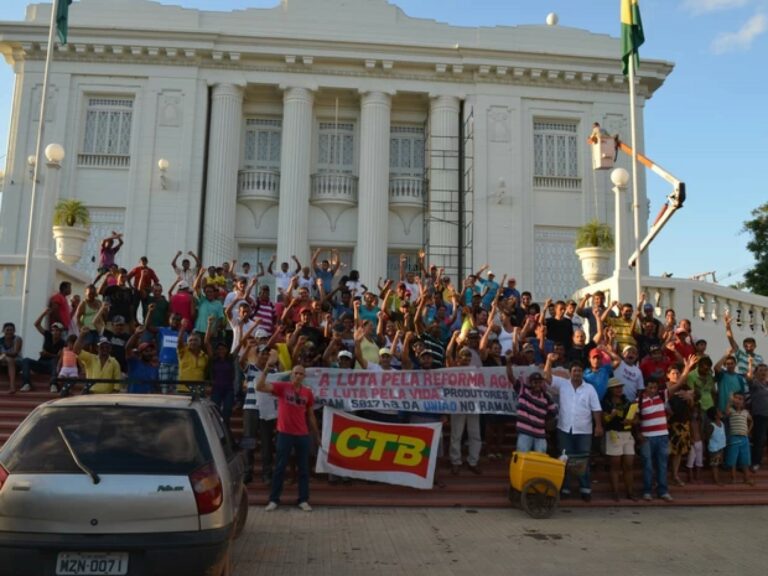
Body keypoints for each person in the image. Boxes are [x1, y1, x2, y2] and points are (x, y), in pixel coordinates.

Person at [258, 350, 320, 512]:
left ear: (304, 376)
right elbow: (259, 386)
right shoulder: (282, 387)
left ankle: (303, 499)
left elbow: (311, 415)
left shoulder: (307, 393)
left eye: (301, 373)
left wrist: (317, 435)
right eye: (295, 373)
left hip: (302, 435)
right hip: (284, 433)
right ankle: (274, 499)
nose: (298, 375)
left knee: (303, 469)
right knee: (280, 468)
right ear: (291, 374)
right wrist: (266, 368)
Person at [543, 357, 603, 502]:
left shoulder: (589, 389)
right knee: (564, 459)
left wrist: (599, 425)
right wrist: (549, 362)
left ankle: (585, 489)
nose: (577, 373)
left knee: (583, 460)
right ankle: (565, 488)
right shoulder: (563, 384)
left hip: (584, 431)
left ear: (583, 373)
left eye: (579, 371)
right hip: (564, 429)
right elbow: (546, 377)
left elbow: (596, 409)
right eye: (574, 371)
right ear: (570, 373)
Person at [637, 378, 674, 501]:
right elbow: (635, 420)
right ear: (645, 388)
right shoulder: (639, 401)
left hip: (662, 435)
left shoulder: (662, 396)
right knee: (647, 465)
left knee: (662, 465)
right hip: (647, 437)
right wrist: (638, 433)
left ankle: (663, 491)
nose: (653, 390)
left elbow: (677, 385)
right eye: (650, 387)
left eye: (655, 387)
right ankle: (647, 491)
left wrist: (686, 369)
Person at [601, 377, 638, 501]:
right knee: (615, 465)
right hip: (613, 434)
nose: (619, 389)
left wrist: (631, 421)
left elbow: (636, 418)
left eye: (620, 387)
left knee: (629, 465)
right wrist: (610, 415)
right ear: (611, 389)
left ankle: (630, 492)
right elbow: (603, 420)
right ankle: (615, 492)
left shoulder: (627, 402)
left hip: (627, 433)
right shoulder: (605, 402)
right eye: (616, 387)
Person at [511, 370, 556, 454]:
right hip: (525, 432)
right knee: (522, 457)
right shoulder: (523, 390)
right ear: (530, 383)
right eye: (535, 382)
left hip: (540, 434)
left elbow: (553, 413)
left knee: (540, 460)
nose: (537, 385)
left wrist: (543, 422)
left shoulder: (547, 397)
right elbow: (511, 378)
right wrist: (508, 362)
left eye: (540, 382)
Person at [21, 309, 65, 392]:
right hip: (41, 363)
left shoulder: (62, 343)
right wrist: (44, 314)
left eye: (58, 330)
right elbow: (36, 324)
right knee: (26, 360)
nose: (55, 332)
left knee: (54, 361)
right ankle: (26, 384)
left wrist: (47, 354)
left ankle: (53, 384)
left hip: (51, 366)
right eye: (54, 330)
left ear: (61, 332)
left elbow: (59, 356)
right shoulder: (48, 335)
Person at [74, 329, 121, 394]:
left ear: (110, 348)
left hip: (107, 397)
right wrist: (82, 335)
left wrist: (110, 399)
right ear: (97, 348)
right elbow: (76, 350)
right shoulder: (90, 358)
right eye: (102, 347)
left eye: (107, 347)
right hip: (90, 395)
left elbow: (116, 387)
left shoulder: (114, 362)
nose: (105, 349)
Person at [725, 391, 754, 485]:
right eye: (736, 398)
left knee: (745, 459)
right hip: (734, 438)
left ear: (743, 402)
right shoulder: (731, 411)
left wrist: (748, 431)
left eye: (740, 399)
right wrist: (730, 401)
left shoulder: (746, 412)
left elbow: (751, 421)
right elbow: (726, 412)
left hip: (744, 438)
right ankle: (733, 478)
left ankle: (747, 478)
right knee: (732, 459)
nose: (738, 400)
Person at [748, 361, 768, 472]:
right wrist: (750, 364)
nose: (763, 372)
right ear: (757, 373)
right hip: (760, 416)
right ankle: (755, 463)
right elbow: (749, 378)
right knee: (759, 441)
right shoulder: (755, 383)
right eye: (761, 370)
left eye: (765, 370)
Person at [0, 322, 23, 394]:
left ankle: (12, 386)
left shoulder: (17, 339)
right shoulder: (0, 340)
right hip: (3, 364)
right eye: (7, 330)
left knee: (10, 360)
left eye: (11, 330)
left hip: (17, 364)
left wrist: (4, 354)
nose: (9, 332)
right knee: (7, 359)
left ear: (14, 331)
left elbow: (15, 353)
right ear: (3, 331)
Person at [706, 407, 726, 486]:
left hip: (720, 447)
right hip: (714, 448)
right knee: (715, 465)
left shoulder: (722, 423)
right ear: (715, 416)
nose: (720, 412)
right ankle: (716, 480)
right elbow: (707, 437)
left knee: (717, 464)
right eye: (718, 411)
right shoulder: (712, 425)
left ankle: (717, 479)